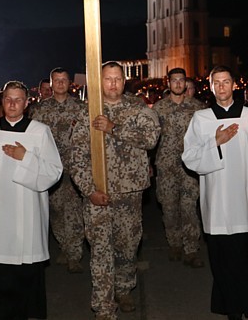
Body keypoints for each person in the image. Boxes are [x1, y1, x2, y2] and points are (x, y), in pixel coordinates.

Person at [0, 80, 62, 320]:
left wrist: (25, 157)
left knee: (27, 272)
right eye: (8, 99)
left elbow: (54, 171)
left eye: (18, 100)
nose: (12, 104)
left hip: (27, 208)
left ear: (27, 104)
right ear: (1, 101)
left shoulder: (39, 131)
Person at [68, 62, 161, 320]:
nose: (113, 84)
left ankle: (124, 288)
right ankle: (104, 306)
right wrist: (89, 190)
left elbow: (151, 139)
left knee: (127, 247)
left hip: (130, 193)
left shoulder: (137, 108)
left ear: (124, 80)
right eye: (108, 79)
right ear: (100, 81)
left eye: (117, 79)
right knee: (100, 250)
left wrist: (114, 129)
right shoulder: (88, 112)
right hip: (98, 194)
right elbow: (76, 158)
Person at [182, 65, 248, 320]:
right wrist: (215, 143)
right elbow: (189, 157)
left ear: (234, 85)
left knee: (240, 256)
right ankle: (236, 307)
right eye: (216, 82)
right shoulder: (201, 119)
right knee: (220, 257)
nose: (221, 86)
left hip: (243, 194)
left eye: (226, 81)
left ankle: (234, 304)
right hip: (216, 196)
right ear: (210, 87)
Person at [30, 67, 87, 274]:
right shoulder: (39, 110)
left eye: (64, 80)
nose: (60, 83)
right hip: (49, 168)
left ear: (70, 83)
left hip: (74, 168)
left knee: (74, 211)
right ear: (51, 83)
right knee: (55, 210)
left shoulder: (81, 108)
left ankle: (74, 254)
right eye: (57, 80)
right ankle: (64, 245)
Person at [152, 67, 205, 266]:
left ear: (185, 83)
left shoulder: (197, 107)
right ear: (168, 83)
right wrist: (149, 164)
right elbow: (151, 138)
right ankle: (174, 243)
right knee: (169, 207)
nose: (177, 84)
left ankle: (191, 249)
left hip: (189, 165)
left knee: (189, 207)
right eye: (174, 80)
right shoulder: (158, 108)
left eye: (181, 80)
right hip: (166, 166)